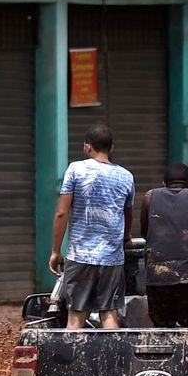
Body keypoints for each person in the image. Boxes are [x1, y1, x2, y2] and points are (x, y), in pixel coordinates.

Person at [49, 125, 136, 329]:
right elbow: (128, 213)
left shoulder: (75, 170)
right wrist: (125, 238)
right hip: (112, 259)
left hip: (80, 256)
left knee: (76, 316)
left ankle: (75, 361)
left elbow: (62, 212)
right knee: (109, 314)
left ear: (87, 146)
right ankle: (111, 361)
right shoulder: (126, 176)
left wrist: (55, 251)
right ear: (111, 147)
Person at [139, 162, 188, 328]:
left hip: (158, 279)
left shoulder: (149, 196)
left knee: (162, 333)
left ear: (163, 183)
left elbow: (146, 233)